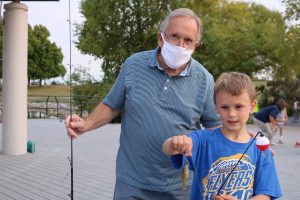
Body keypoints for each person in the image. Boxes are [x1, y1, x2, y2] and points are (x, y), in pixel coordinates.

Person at [65, 8, 221, 199]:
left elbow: (215, 127)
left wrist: (241, 143)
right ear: (160, 38)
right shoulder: (134, 65)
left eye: (188, 40)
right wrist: (86, 124)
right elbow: (112, 104)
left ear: (195, 45)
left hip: (181, 186)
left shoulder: (205, 79)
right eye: (174, 36)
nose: (181, 45)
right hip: (131, 183)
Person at [163, 72, 282, 200]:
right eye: (224, 107)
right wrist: (174, 143)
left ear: (252, 106)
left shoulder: (262, 150)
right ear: (216, 108)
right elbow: (168, 148)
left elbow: (265, 194)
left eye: (238, 106)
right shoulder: (202, 140)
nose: (231, 114)